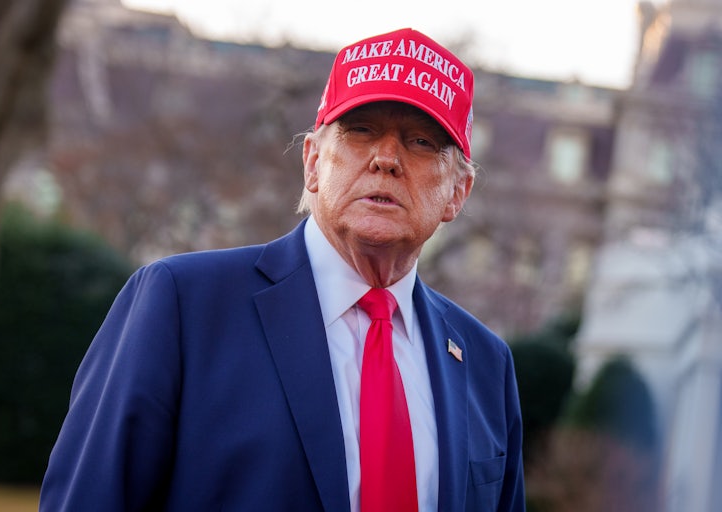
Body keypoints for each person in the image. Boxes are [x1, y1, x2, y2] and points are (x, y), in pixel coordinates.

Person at [40, 27, 525, 511]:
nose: (386, 158)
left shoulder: (486, 363)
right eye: (361, 130)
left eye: (421, 142)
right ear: (313, 162)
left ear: (457, 193)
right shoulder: (182, 306)